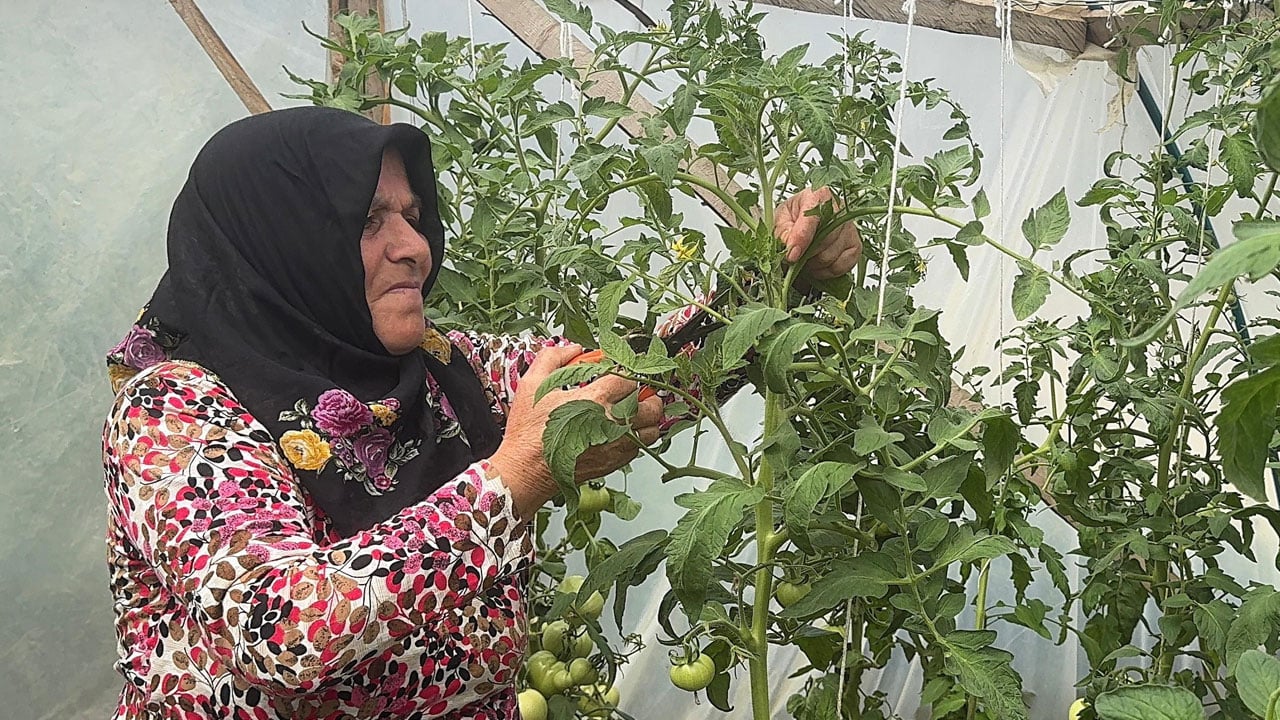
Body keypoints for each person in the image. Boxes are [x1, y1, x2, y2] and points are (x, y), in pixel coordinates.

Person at [102, 106, 862, 719]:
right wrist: (512, 481)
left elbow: (632, 382)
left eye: (413, 214)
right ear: (278, 240)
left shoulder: (441, 369)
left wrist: (778, 271)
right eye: (368, 220)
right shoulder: (174, 412)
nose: (415, 246)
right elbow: (287, 630)